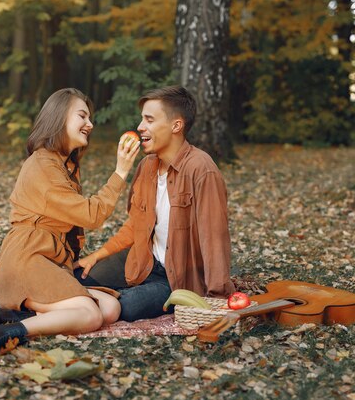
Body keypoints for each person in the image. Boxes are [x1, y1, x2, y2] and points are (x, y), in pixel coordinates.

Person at [0, 88, 140, 361]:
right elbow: (91, 215)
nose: (90, 124)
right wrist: (121, 172)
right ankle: (1, 334)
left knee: (110, 308)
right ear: (58, 118)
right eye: (82, 115)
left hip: (48, 261)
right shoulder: (43, 165)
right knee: (91, 315)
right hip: (27, 258)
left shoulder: (63, 164)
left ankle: (8, 314)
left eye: (90, 117)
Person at [73, 85, 236, 322]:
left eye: (149, 119)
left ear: (176, 126)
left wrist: (216, 299)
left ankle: (100, 301)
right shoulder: (146, 166)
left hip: (176, 279)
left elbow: (214, 239)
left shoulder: (202, 170)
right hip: (144, 259)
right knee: (78, 277)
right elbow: (135, 225)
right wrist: (97, 256)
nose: (140, 127)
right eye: (142, 119)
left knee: (125, 308)